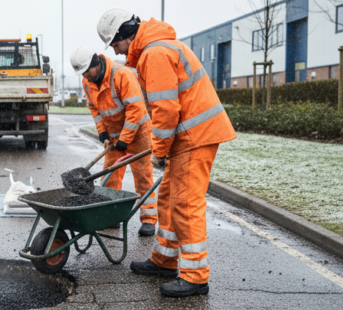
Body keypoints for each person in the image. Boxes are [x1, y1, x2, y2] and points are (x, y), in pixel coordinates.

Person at [96, 8, 237, 297]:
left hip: (193, 137)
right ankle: (164, 259)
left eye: (115, 44)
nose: (116, 52)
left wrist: (157, 151)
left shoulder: (155, 54)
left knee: (185, 205)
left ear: (125, 35)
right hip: (188, 137)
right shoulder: (156, 48)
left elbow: (166, 109)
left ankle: (196, 276)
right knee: (169, 199)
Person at [70, 45, 158, 237]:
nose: (84, 76)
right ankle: (111, 217)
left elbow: (136, 108)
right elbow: (94, 107)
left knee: (142, 176)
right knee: (109, 177)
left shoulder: (121, 74)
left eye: (86, 71)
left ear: (95, 63)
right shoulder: (88, 82)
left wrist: (125, 139)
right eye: (81, 73)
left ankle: (148, 219)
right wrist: (102, 132)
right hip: (114, 136)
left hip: (139, 133)